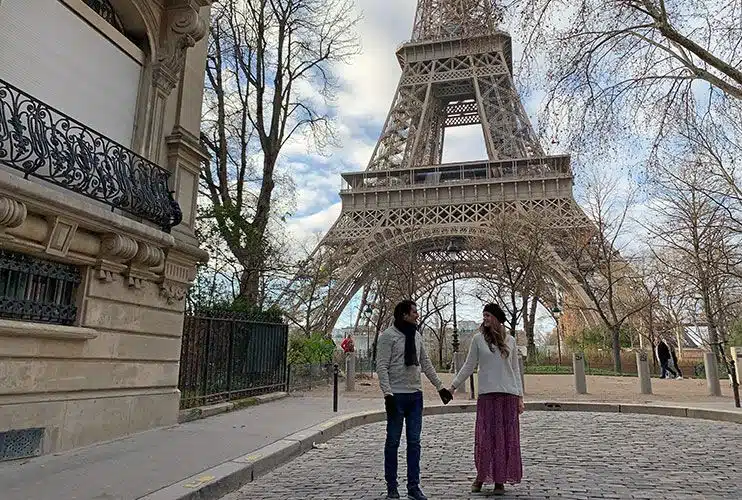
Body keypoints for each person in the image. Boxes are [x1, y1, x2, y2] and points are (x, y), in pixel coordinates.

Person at [377, 300, 453, 500]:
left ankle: (413, 486)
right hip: (397, 395)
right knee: (392, 442)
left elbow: (425, 363)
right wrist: (387, 394)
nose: (417, 314)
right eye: (414, 312)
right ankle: (392, 486)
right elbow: (382, 366)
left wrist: (440, 387)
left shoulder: (417, 335)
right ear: (404, 314)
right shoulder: (388, 336)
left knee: (414, 443)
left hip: (415, 396)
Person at [448, 303, 524, 496]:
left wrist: (520, 397)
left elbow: (515, 371)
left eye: (488, 315)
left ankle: (500, 479)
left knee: (505, 440)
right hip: (488, 396)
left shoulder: (511, 341)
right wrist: (453, 386)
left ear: (497, 318)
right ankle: (481, 476)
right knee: (485, 439)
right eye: (484, 315)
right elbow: (468, 365)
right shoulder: (478, 340)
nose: (485, 319)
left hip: (508, 395)